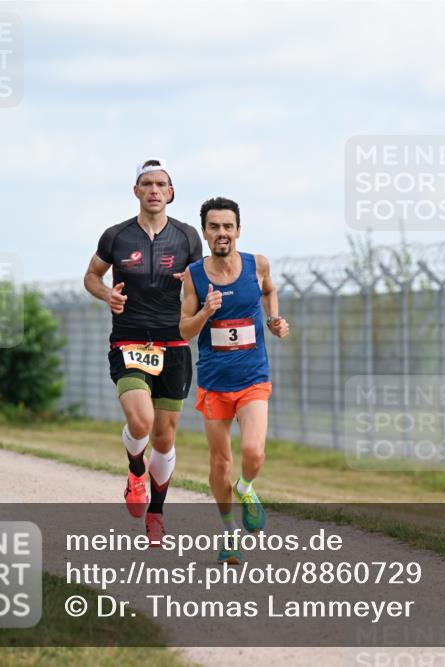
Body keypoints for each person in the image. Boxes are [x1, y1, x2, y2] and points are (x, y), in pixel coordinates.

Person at [83, 158, 202, 542]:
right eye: (146, 184)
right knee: (141, 422)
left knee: (165, 438)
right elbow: (91, 276)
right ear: (136, 191)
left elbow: (204, 282)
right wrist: (107, 295)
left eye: (160, 184)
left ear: (171, 193)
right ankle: (136, 470)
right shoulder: (116, 236)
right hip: (130, 340)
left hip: (175, 343)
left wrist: (193, 282)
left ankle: (156, 513)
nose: (153, 190)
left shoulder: (187, 237)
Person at [179, 196, 289, 564]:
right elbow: (184, 329)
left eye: (228, 226)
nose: (222, 233)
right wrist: (206, 312)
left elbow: (270, 291)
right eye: (214, 227)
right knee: (220, 463)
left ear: (238, 230)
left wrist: (275, 320)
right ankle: (229, 534)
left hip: (253, 377)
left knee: (254, 453)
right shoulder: (194, 276)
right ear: (205, 232)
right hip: (213, 383)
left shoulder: (257, 264)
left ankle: (246, 489)